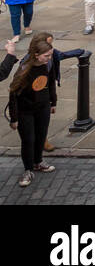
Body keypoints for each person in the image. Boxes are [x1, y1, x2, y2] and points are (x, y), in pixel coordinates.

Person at [5, 34, 58, 187]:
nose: (49, 58)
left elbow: (51, 84)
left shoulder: (47, 65)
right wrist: (14, 118)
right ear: (36, 55)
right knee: (28, 140)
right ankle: (28, 169)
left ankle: (38, 162)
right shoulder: (24, 70)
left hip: (43, 108)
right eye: (46, 56)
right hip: (25, 111)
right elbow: (13, 93)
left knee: (41, 136)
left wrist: (53, 102)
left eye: (50, 55)